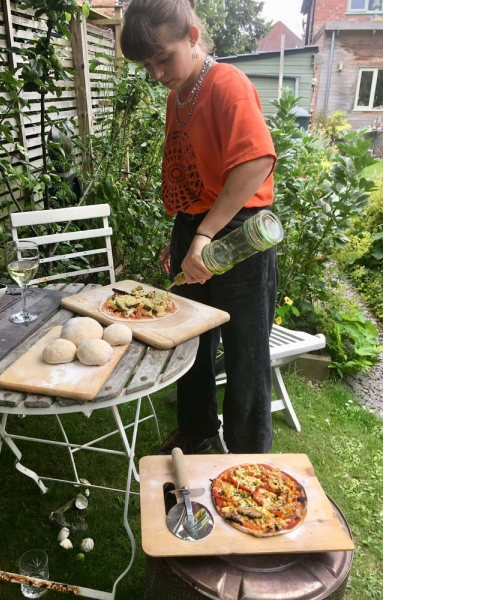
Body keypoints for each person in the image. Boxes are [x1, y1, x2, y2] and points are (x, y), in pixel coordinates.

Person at [121, 0, 279, 454]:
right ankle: (196, 438)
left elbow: (256, 163)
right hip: (195, 228)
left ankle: (248, 459)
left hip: (238, 238)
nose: (156, 74)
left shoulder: (228, 84)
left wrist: (205, 235)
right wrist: (183, 236)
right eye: (147, 66)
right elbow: (194, 176)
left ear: (192, 37)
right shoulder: (178, 96)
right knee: (190, 342)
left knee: (246, 353)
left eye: (162, 58)